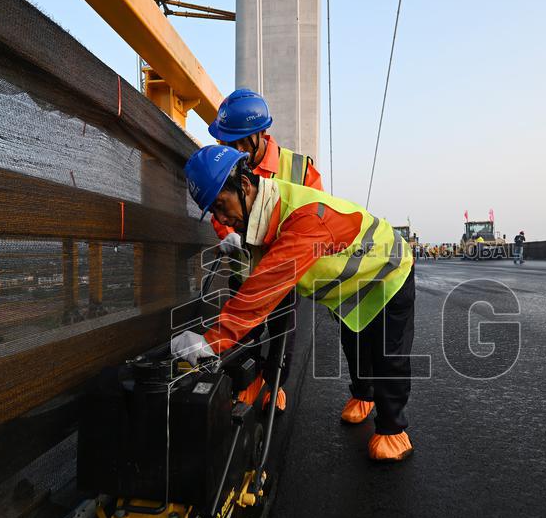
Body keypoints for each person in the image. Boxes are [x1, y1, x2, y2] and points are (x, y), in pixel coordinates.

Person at [172, 146, 416, 462]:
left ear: (245, 186)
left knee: (387, 352)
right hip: (354, 285)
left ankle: (393, 429)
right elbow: (258, 290)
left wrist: (211, 341)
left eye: (221, 206)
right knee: (354, 342)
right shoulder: (262, 220)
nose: (221, 219)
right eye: (213, 212)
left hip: (389, 271)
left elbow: (265, 287)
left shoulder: (303, 219)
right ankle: (364, 396)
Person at [206, 88, 324, 413]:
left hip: (283, 272)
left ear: (261, 133)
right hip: (244, 270)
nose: (236, 149)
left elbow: (315, 217)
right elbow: (219, 208)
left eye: (242, 141)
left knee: (282, 329)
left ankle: (274, 385)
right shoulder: (226, 166)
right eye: (229, 142)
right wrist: (225, 234)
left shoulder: (298, 169)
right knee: (245, 330)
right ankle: (249, 381)